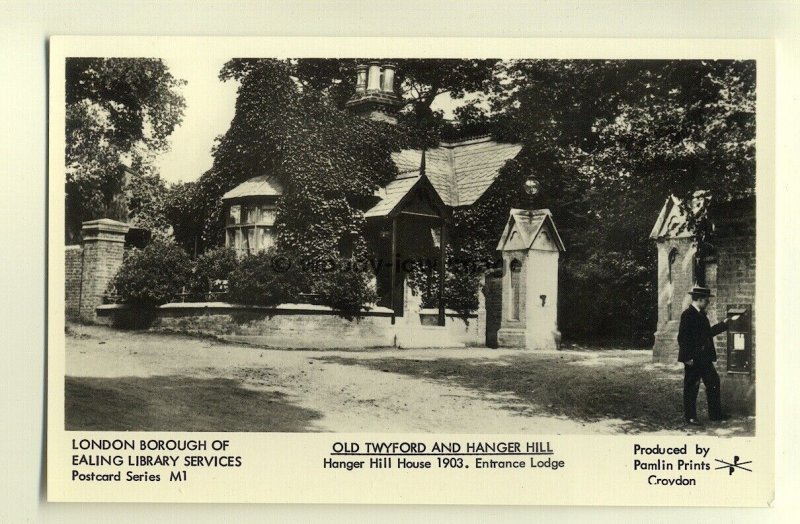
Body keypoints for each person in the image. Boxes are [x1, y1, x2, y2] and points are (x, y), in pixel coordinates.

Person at [677, 286, 738, 426]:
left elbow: (707, 334)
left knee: (713, 383)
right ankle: (690, 416)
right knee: (692, 387)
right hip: (693, 359)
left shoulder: (701, 314)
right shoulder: (687, 314)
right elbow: (682, 338)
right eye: (706, 301)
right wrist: (686, 358)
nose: (708, 303)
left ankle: (715, 414)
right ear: (699, 300)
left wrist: (724, 324)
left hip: (704, 358)